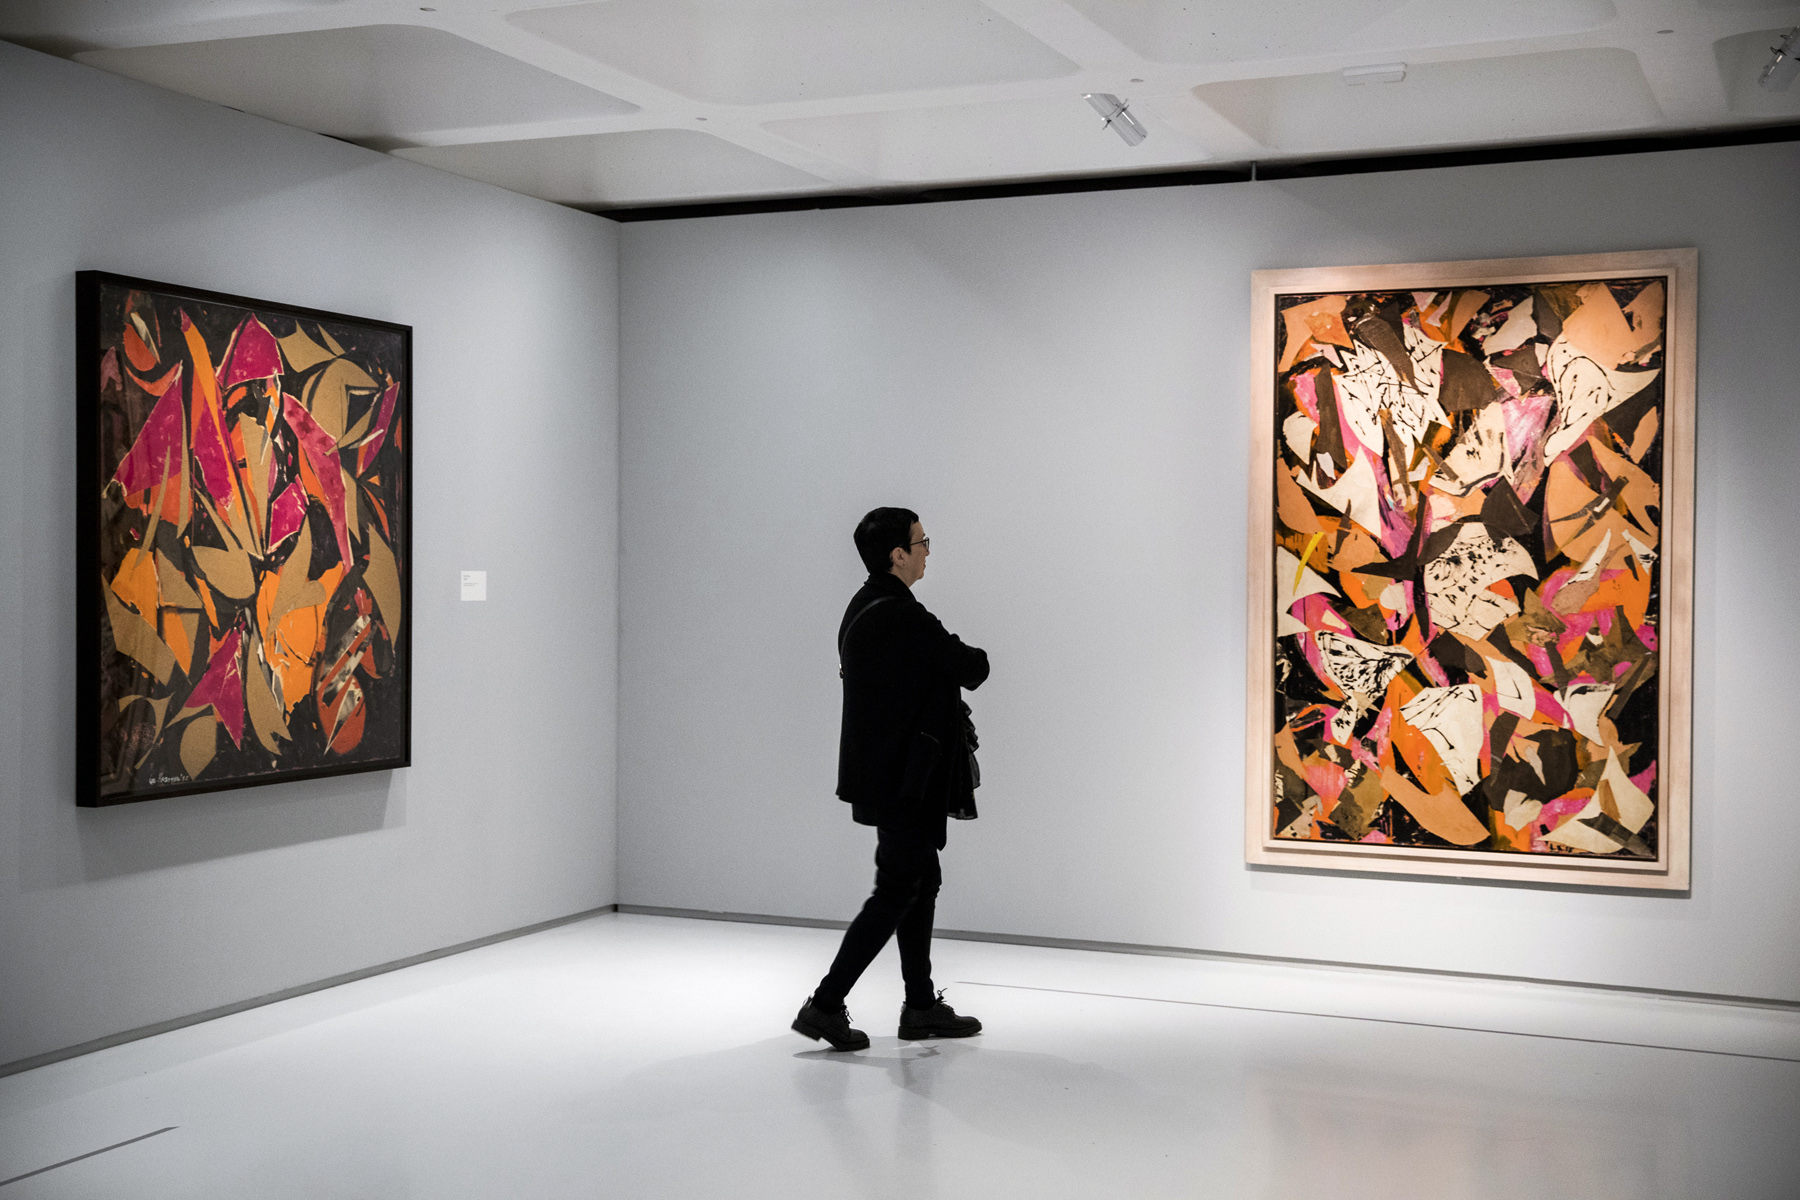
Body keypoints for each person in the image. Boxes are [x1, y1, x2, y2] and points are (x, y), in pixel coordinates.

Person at [791, 507, 990, 1052]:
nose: (928, 551)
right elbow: (971, 664)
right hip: (906, 779)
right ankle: (825, 1005)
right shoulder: (900, 613)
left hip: (890, 776)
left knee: (921, 881)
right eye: (922, 542)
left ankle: (920, 1005)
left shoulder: (861, 607)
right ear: (897, 554)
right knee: (897, 890)